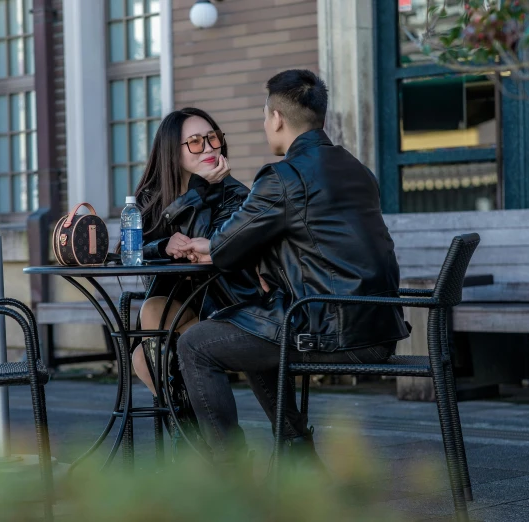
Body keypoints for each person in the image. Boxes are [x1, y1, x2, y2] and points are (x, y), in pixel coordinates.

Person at [174, 70, 411, 467]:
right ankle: (299, 456)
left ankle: (230, 473)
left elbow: (230, 248)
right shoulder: (356, 169)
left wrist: (212, 246)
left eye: (265, 116)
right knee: (252, 324)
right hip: (378, 326)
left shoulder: (282, 177)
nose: (265, 124)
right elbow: (321, 242)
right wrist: (218, 248)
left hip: (333, 332)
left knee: (196, 344)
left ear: (278, 119)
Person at [130, 107, 261, 396]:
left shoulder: (234, 195)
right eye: (195, 142)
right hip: (179, 305)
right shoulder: (151, 196)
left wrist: (200, 191)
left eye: (212, 138)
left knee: (153, 338)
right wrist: (162, 246)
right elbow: (130, 249)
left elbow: (204, 245)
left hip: (222, 305)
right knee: (142, 351)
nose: (209, 148)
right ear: (172, 152)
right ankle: (188, 427)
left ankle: (196, 431)